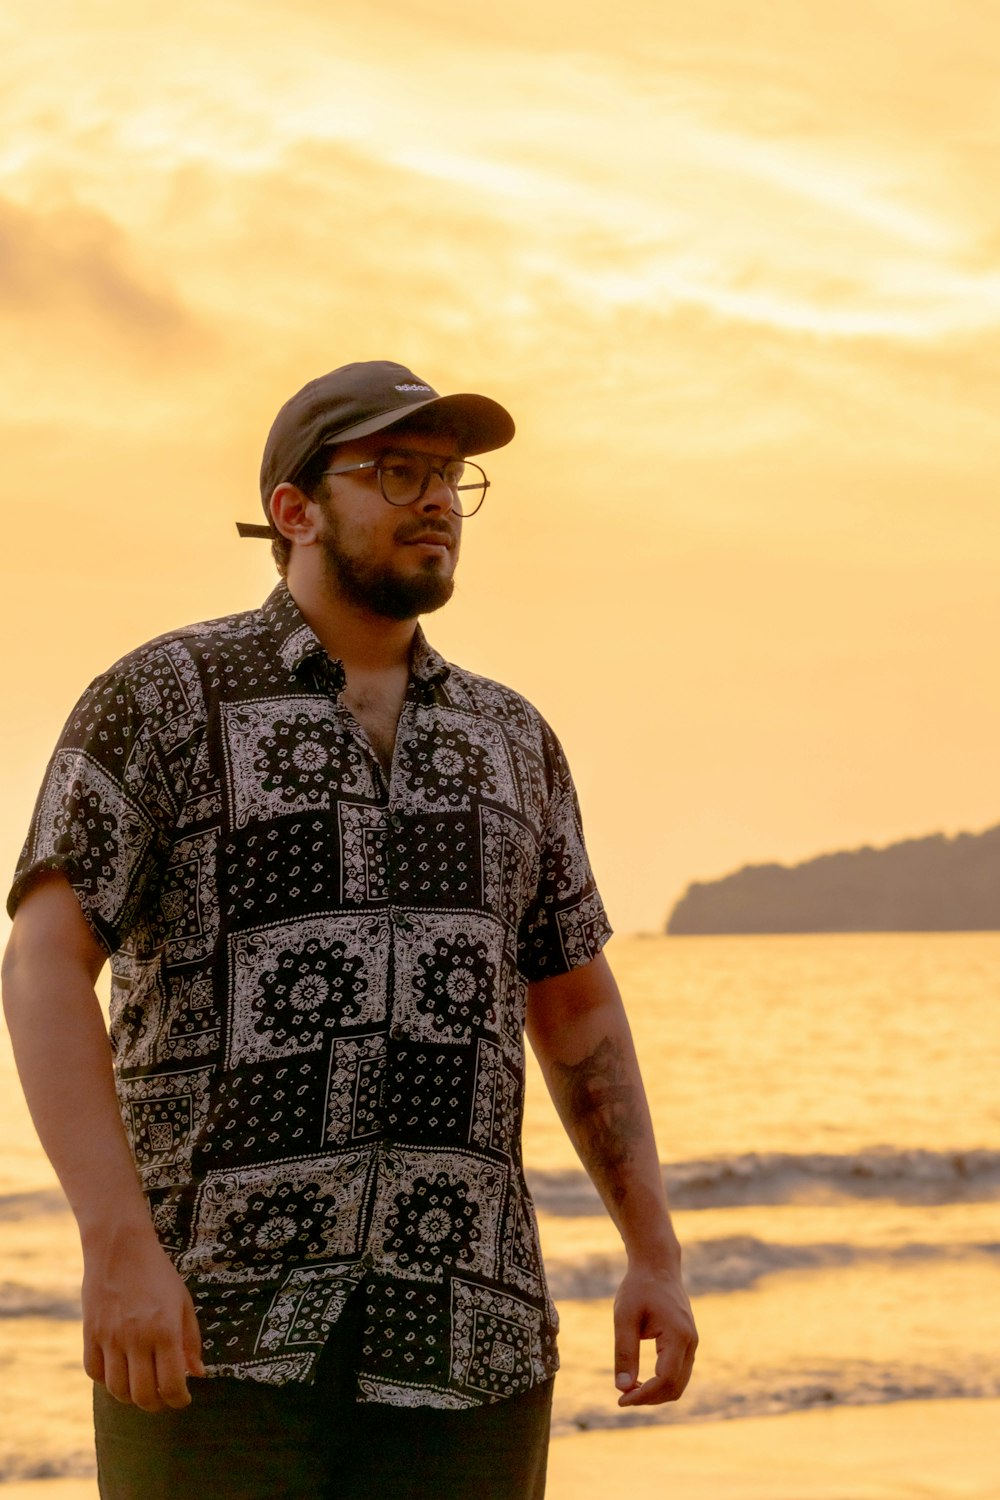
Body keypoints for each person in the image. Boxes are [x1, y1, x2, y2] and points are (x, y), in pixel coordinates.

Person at [2, 360, 697, 1500]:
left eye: (449, 478)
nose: (435, 500)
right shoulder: (165, 698)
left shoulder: (511, 739)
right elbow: (42, 965)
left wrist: (654, 1254)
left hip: (468, 1338)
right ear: (294, 510)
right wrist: (115, 1246)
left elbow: (573, 1003)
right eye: (395, 472)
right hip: (212, 1333)